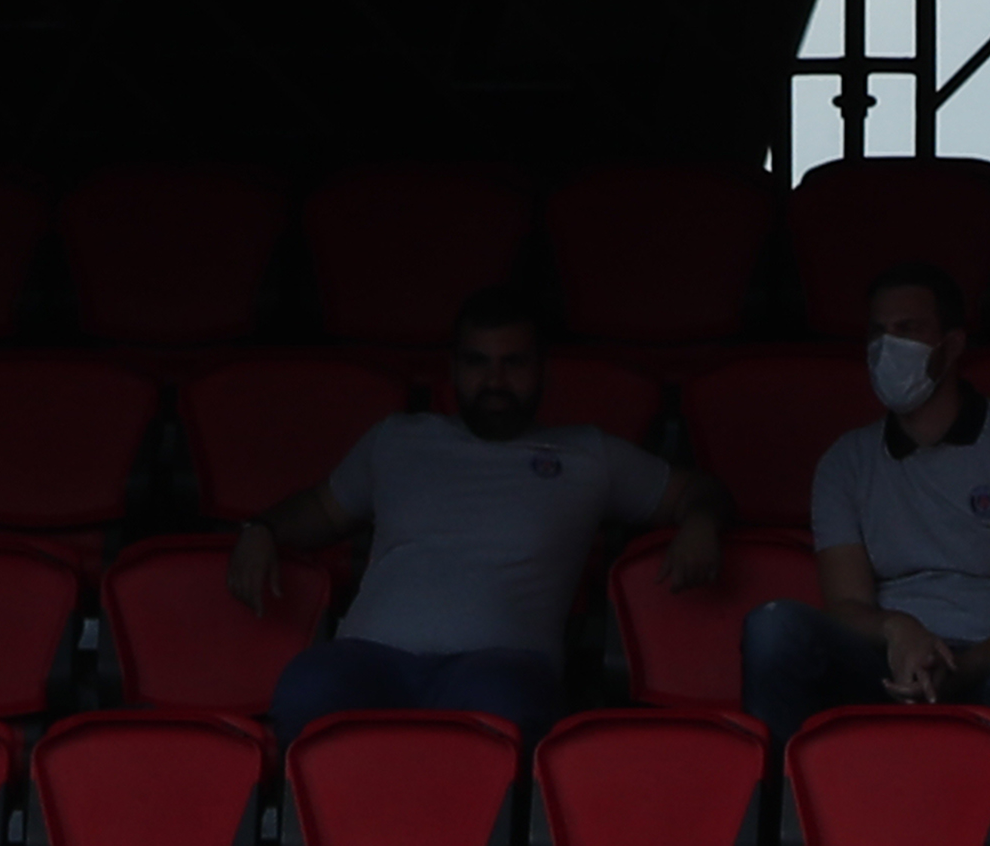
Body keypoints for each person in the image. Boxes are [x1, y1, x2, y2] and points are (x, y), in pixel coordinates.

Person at [237, 284, 724, 743]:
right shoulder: (398, 439)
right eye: (478, 363)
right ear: (452, 369)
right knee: (307, 685)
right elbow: (323, 507)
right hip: (369, 658)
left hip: (498, 667)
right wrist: (262, 528)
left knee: (503, 704)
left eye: (513, 363)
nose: (495, 381)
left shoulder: (589, 455)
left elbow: (699, 491)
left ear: (542, 370)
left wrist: (701, 522)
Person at [739, 262, 990, 743]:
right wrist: (897, 630)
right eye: (879, 333)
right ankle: (786, 807)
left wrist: (962, 667)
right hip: (889, 667)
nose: (889, 348)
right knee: (774, 629)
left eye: (908, 330)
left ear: (952, 344)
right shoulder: (845, 462)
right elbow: (845, 603)